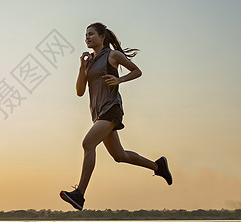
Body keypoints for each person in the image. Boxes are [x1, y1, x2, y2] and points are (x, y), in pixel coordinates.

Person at [59, 22, 172, 211]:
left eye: (91, 34)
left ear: (102, 37)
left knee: (88, 144)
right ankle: (157, 166)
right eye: (85, 35)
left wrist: (119, 80)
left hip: (111, 109)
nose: (87, 37)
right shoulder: (90, 63)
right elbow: (79, 91)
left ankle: (79, 194)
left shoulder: (113, 55)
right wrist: (82, 68)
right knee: (120, 156)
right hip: (98, 113)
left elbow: (137, 71)